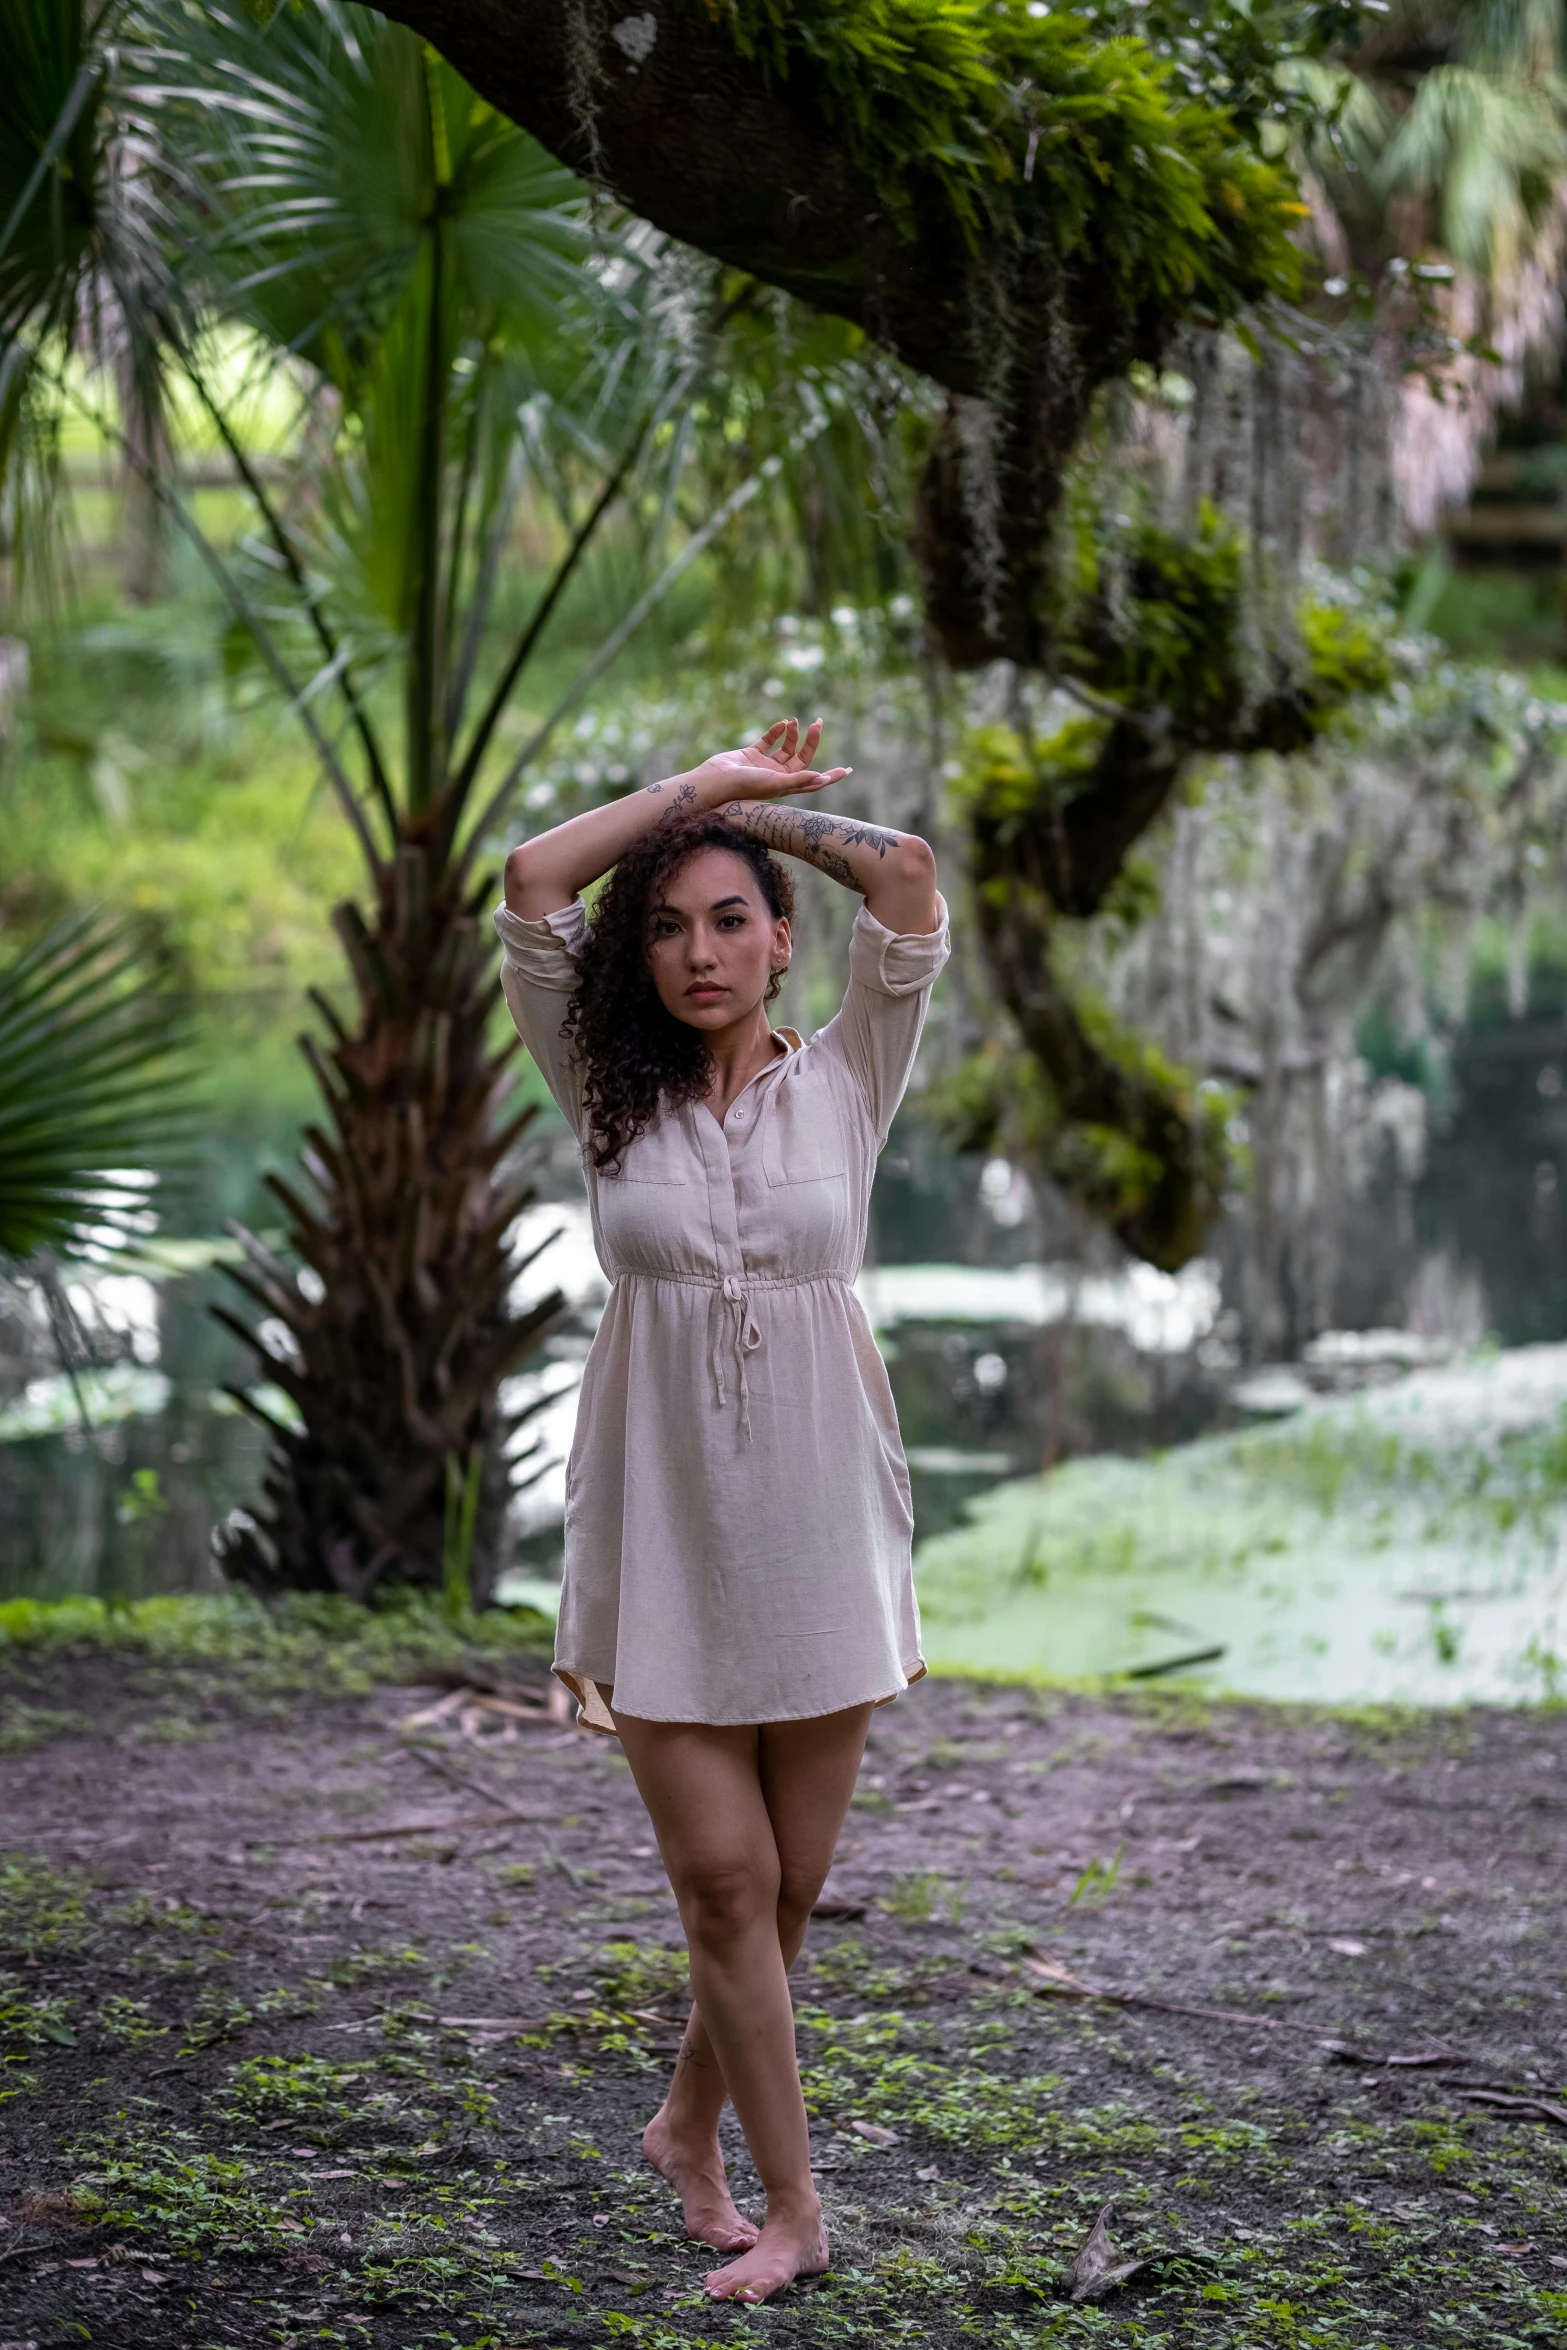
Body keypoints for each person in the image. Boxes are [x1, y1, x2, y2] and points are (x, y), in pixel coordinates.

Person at [495, 716, 948, 2304]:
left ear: (778, 939)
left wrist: (772, 823)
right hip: (665, 1522)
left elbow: (905, 874)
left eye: (730, 917)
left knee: (795, 1879)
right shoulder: (604, 1088)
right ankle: (795, 2205)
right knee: (724, 1881)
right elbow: (539, 875)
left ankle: (684, 2125)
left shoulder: (848, 1078)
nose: (698, 950)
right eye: (672, 923)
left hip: (824, 1515)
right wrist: (700, 797)